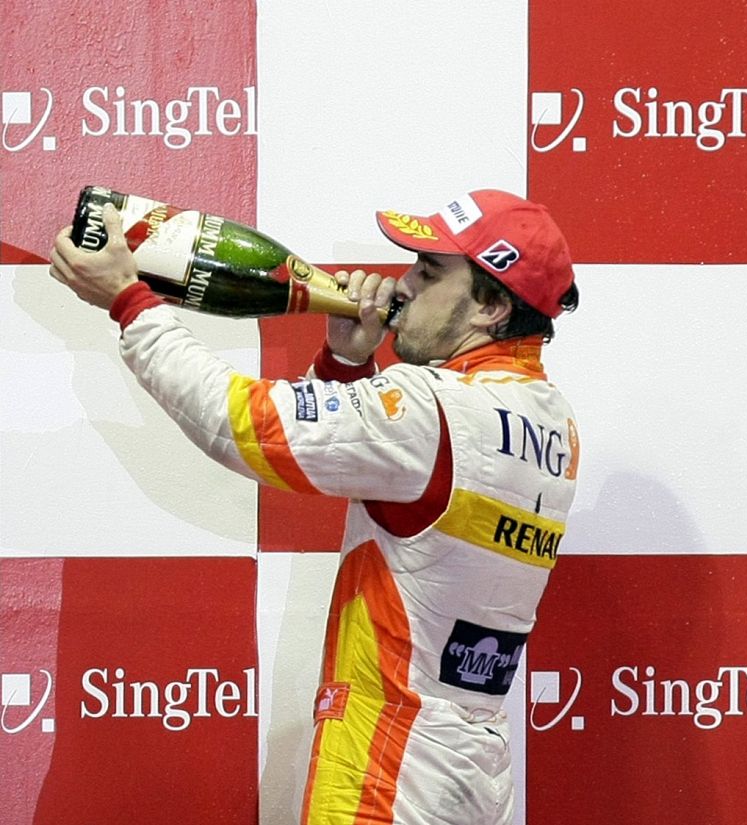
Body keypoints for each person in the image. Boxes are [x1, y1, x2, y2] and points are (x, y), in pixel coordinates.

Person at [47, 189, 582, 825]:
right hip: (464, 764)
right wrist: (347, 361)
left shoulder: (433, 410)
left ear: (492, 306)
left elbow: (242, 424)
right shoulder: (549, 421)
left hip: (389, 770)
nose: (400, 286)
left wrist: (131, 303)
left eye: (430, 273)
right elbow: (393, 479)